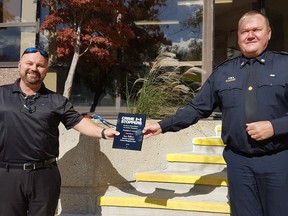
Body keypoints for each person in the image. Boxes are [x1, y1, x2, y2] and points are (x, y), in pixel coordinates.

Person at [143, 11, 288, 216]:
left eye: (256, 30)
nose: (250, 35)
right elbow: (196, 108)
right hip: (239, 163)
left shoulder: (285, 66)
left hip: (279, 160)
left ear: (269, 34)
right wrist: (161, 125)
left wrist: (275, 127)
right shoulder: (223, 72)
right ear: (238, 37)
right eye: (244, 31)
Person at [0, 47, 120, 216]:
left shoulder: (57, 101)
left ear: (46, 71)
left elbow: (79, 121)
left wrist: (103, 133)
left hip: (44, 176)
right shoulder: (1, 94)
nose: (34, 68)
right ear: (19, 65)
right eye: (29, 63)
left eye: (40, 65)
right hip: (6, 175)